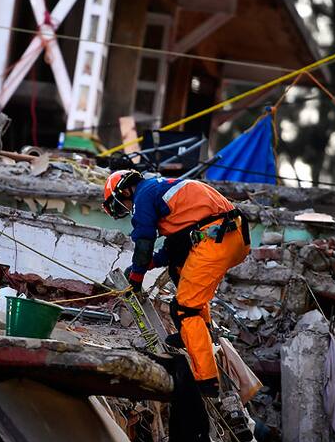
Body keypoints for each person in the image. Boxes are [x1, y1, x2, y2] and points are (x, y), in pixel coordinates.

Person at [102, 170, 250, 396]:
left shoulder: (142, 196)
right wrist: (150, 264)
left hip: (217, 239)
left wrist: (136, 278)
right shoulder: (159, 190)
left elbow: (144, 241)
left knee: (184, 309)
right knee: (179, 271)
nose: (126, 208)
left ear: (125, 190)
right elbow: (175, 247)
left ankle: (207, 381)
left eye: (121, 203)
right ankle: (196, 333)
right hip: (229, 235)